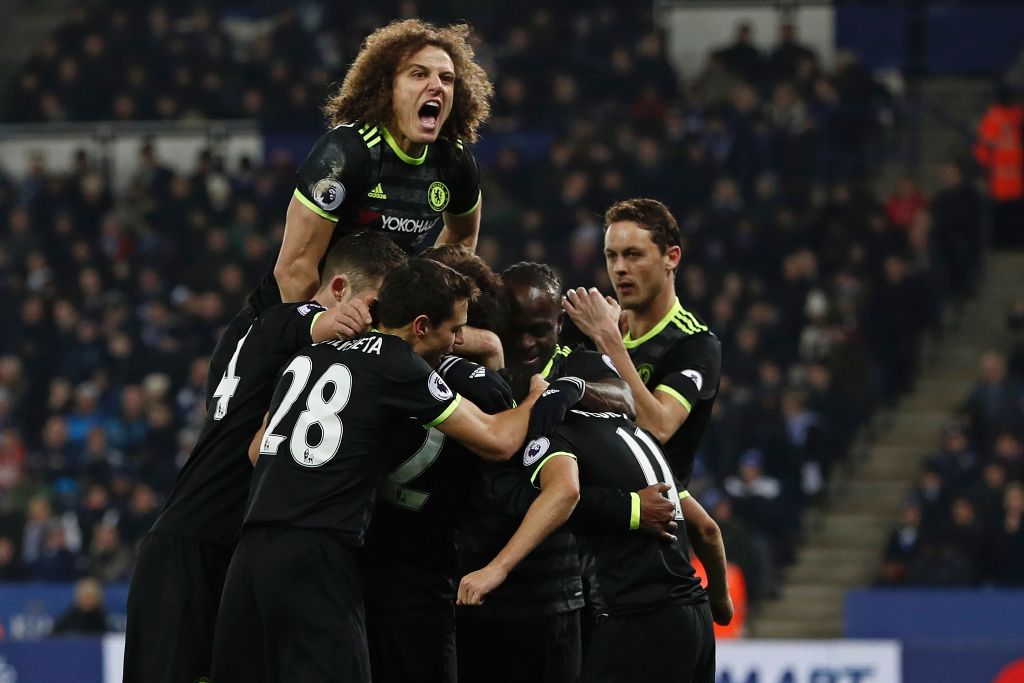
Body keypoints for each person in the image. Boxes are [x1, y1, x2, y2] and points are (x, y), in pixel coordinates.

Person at [210, 258, 547, 683]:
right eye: (455, 328)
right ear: (421, 326)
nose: (460, 340)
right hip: (318, 553)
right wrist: (539, 397)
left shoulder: (309, 355)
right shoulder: (396, 361)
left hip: (250, 555)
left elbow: (258, 451)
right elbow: (498, 442)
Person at [123, 232, 407, 683]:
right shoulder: (293, 321)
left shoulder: (250, 329)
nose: (377, 322)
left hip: (234, 553)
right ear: (338, 289)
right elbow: (317, 322)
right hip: (192, 550)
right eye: (375, 307)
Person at [456, 261, 680, 683]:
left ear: (560, 321)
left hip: (553, 598)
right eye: (513, 327)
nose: (524, 341)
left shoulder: (574, 366)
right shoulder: (477, 371)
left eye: (539, 329)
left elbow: (625, 399)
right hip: (473, 584)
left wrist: (574, 387)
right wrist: (628, 509)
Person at [459, 408, 715, 682]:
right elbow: (707, 528)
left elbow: (564, 493)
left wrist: (496, 569)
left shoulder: (557, 431)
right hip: (696, 615)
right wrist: (720, 600)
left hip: (640, 617)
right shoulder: (638, 434)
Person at [275, 19, 494, 303]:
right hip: (293, 313)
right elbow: (295, 271)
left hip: (383, 318)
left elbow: (462, 236)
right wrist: (318, 336)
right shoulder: (348, 153)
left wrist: (429, 302)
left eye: (447, 78)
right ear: (387, 88)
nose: (436, 86)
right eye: (418, 74)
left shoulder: (455, 161)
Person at [563, 198, 722, 489]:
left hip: (654, 518)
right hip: (594, 508)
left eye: (634, 255)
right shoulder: (600, 328)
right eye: (612, 256)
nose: (620, 268)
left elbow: (657, 426)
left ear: (671, 257)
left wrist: (608, 342)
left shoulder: (694, 344)